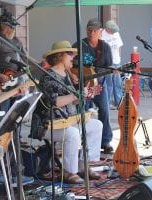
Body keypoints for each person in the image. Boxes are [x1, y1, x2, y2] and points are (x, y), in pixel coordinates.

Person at [31, 40, 103, 184]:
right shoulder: (48, 76)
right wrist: (77, 95)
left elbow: (72, 101)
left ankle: (83, 164)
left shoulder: (66, 75)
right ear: (59, 56)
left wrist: (85, 95)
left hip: (66, 121)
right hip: (48, 124)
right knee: (72, 134)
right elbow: (55, 102)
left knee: (96, 125)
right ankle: (69, 172)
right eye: (70, 53)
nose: (73, 57)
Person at [70, 18, 114, 153]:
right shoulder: (79, 44)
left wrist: (104, 73)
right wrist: (75, 76)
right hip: (82, 85)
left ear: (100, 31)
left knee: (105, 110)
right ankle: (83, 140)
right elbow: (70, 65)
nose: (91, 33)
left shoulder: (105, 47)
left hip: (99, 85)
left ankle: (105, 141)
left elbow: (109, 66)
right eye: (89, 30)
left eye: (95, 30)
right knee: (82, 111)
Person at [0, 9, 28, 112]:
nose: (14, 29)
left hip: (16, 79)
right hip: (0, 81)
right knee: (3, 111)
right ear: (3, 26)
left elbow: (26, 58)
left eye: (14, 26)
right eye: (11, 26)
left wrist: (37, 65)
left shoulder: (17, 41)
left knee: (16, 111)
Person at [102, 20, 123, 108]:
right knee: (109, 84)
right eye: (112, 31)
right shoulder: (102, 35)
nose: (114, 32)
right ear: (107, 29)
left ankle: (119, 102)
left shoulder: (116, 33)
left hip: (116, 61)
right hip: (108, 62)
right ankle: (107, 103)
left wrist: (119, 58)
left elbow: (118, 47)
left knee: (118, 82)